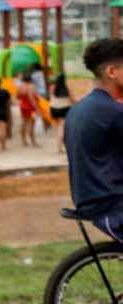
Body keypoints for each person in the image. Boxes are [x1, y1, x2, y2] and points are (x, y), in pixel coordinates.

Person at [64, 38, 123, 242]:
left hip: (88, 199)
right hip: (112, 205)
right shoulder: (113, 112)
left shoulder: (79, 108)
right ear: (112, 72)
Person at [17, 72, 40, 147]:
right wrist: (37, 108)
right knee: (32, 124)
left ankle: (24, 141)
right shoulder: (31, 86)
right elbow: (32, 99)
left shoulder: (20, 86)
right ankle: (33, 141)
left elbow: (18, 97)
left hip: (23, 106)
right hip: (31, 107)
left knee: (24, 123)